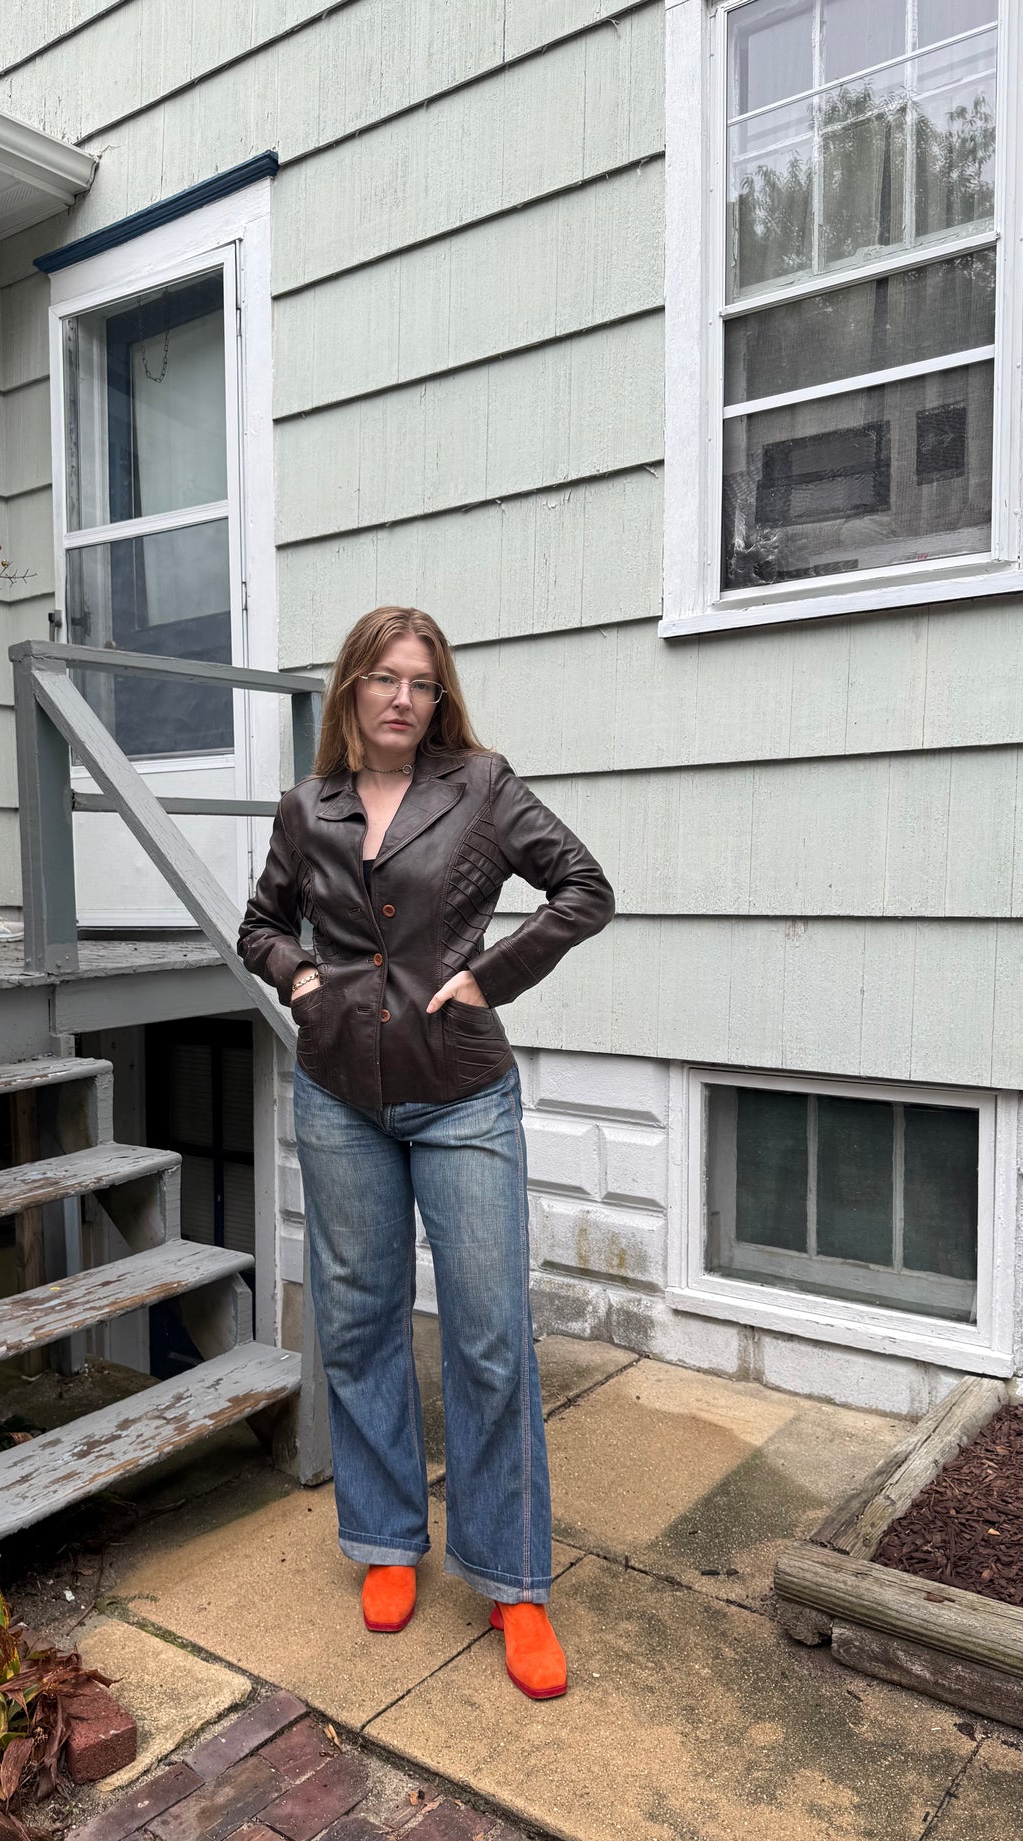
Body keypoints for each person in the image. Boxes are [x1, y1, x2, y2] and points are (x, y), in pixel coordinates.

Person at [238, 606, 614, 1699]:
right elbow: (260, 921)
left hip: (460, 1095)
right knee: (356, 1324)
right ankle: (386, 1542)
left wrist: (488, 976)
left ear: (438, 698)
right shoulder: (306, 809)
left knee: (490, 1333)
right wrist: (298, 977)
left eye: (422, 683)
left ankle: (511, 1580)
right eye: (383, 679)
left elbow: (583, 889)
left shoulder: (482, 786)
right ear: (350, 689)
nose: (403, 698)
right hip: (338, 1094)